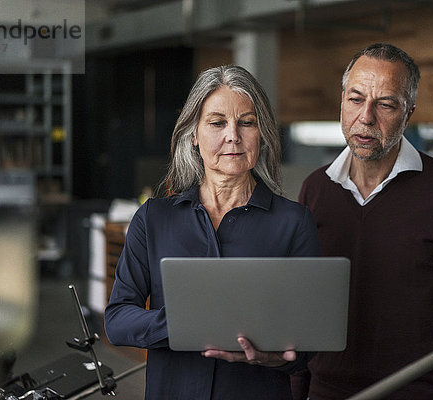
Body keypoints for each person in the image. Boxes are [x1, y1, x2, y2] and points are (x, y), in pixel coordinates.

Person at [105, 64, 320, 400]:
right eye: (217, 122)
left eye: (246, 122)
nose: (232, 135)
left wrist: (274, 357)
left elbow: (307, 343)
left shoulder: (293, 222)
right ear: (194, 134)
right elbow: (118, 320)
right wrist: (190, 322)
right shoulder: (154, 219)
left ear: (260, 132)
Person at [291, 43, 433, 399]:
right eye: (355, 99)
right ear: (341, 101)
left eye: (385, 104)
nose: (366, 117)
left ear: (408, 112)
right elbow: (302, 306)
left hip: (419, 393)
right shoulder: (315, 190)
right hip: (327, 392)